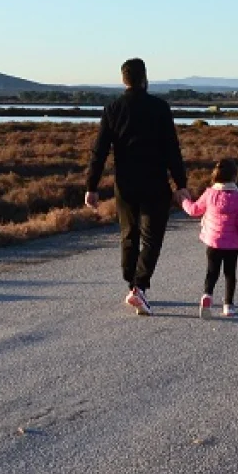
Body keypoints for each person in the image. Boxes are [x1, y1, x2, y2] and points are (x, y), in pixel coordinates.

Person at [85, 57, 189, 315]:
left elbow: (99, 151)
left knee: (128, 235)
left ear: (124, 79)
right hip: (155, 183)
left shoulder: (113, 108)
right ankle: (139, 288)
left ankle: (132, 284)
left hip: (126, 184)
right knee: (152, 238)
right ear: (145, 78)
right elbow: (171, 149)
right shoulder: (160, 107)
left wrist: (92, 186)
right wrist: (181, 184)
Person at [179, 158, 238, 319]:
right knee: (230, 273)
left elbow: (193, 210)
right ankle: (228, 305)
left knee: (212, 272)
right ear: (234, 177)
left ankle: (207, 295)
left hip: (213, 242)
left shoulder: (209, 194)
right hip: (232, 245)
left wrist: (184, 200)